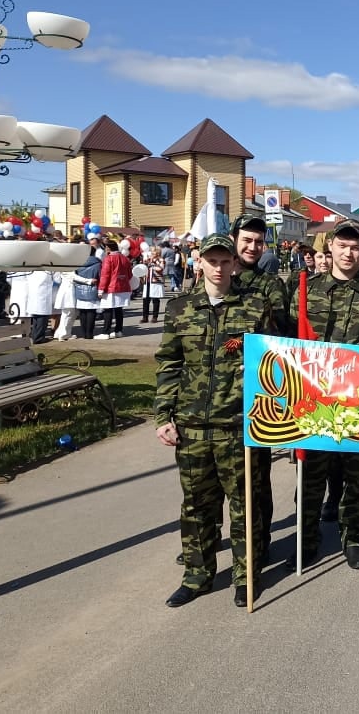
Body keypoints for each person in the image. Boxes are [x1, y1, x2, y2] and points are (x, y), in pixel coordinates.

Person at [155, 233, 276, 608]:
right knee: (196, 507)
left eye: (226, 261)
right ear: (200, 263)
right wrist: (163, 415)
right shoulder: (179, 309)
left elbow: (272, 367)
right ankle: (197, 575)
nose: (219, 268)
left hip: (238, 425)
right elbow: (169, 364)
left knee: (245, 506)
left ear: (235, 265)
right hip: (191, 426)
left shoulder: (255, 307)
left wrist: (269, 419)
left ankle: (246, 576)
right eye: (212, 261)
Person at [285, 219, 359, 571]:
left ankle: (353, 539)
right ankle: (307, 541)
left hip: (357, 396)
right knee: (312, 474)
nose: (349, 251)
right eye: (342, 245)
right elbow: (284, 339)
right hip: (312, 398)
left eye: (356, 246)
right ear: (329, 248)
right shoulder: (304, 289)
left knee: (356, 475)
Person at [231, 214, 292, 563]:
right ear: (234, 238)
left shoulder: (271, 286)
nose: (252, 247)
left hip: (256, 395)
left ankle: (258, 543)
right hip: (215, 398)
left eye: (258, 241)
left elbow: (283, 337)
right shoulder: (216, 274)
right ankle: (207, 544)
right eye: (247, 240)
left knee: (256, 479)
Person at [97, 239, 132, 339]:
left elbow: (105, 275)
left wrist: (101, 289)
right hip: (123, 287)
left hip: (111, 287)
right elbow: (130, 275)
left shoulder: (108, 259)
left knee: (108, 310)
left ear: (108, 248)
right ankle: (118, 330)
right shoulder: (125, 258)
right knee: (119, 310)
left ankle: (105, 332)